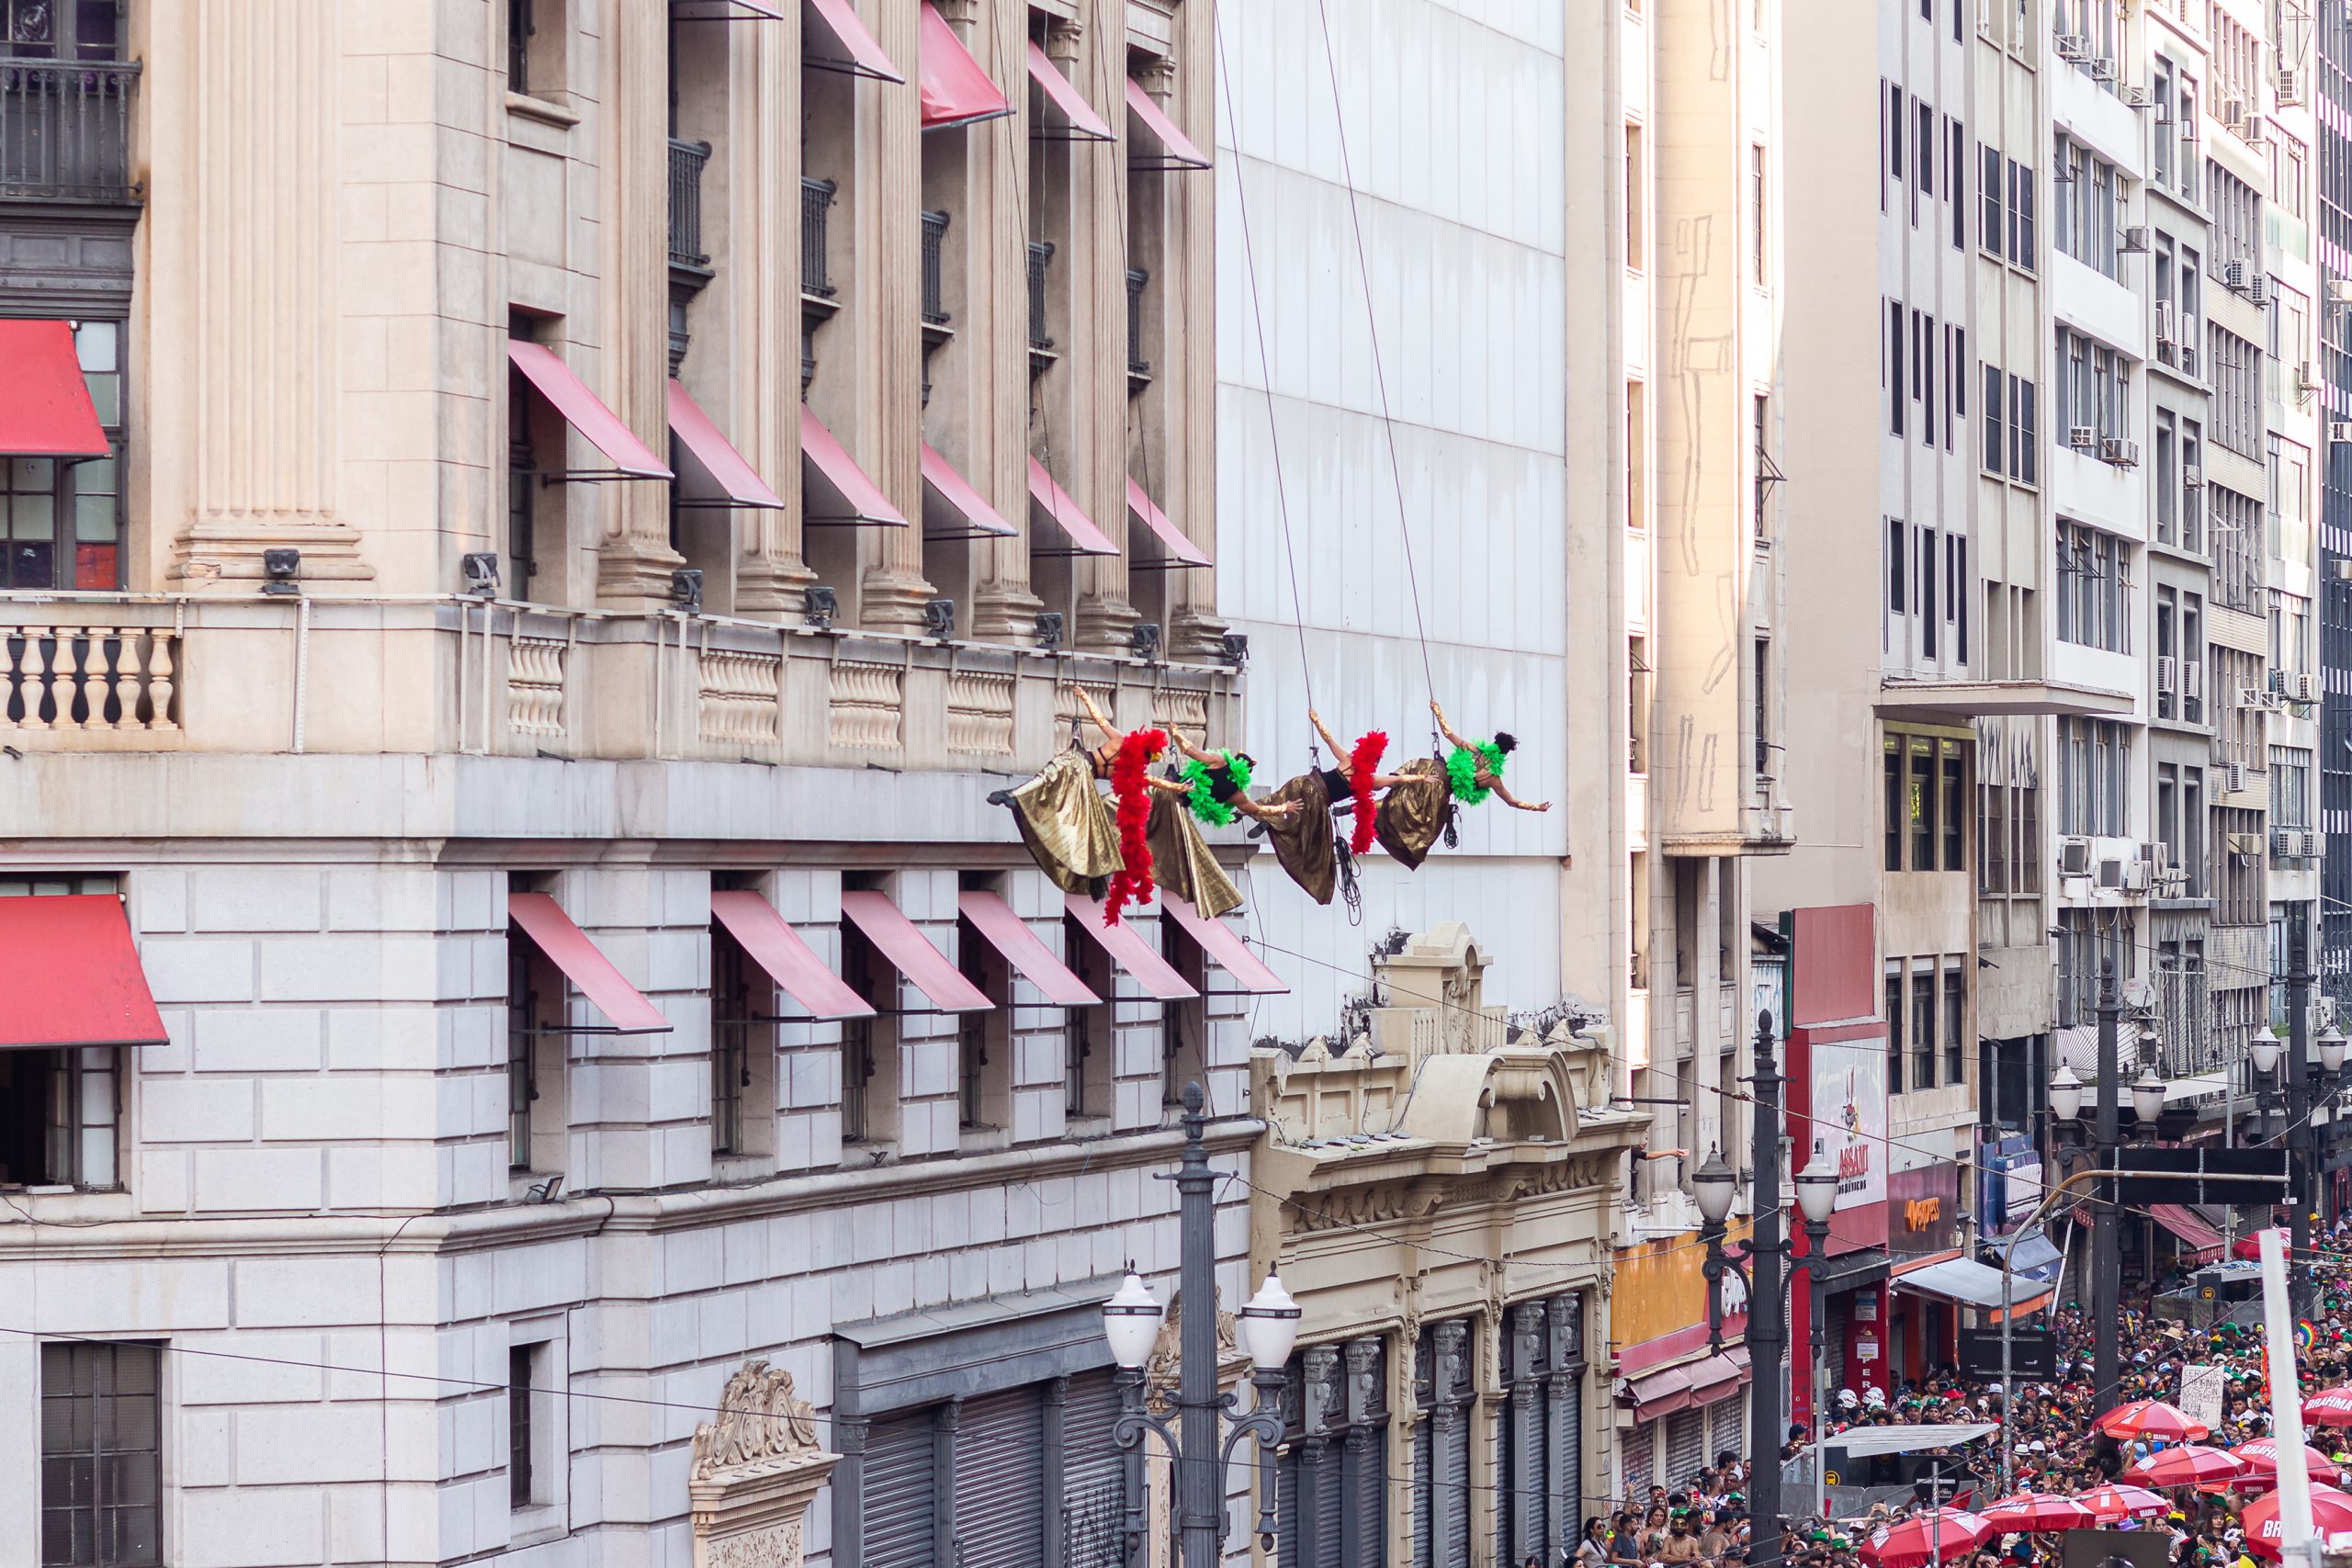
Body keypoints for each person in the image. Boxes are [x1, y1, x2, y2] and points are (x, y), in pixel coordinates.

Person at [1432, 698, 1551, 812]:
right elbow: (1511, 802)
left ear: (1494, 744)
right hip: (1442, 792)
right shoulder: (1494, 780)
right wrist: (1536, 807)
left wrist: (1437, 710)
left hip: (1435, 776)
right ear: (1504, 755)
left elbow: (1448, 734)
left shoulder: (1474, 751)